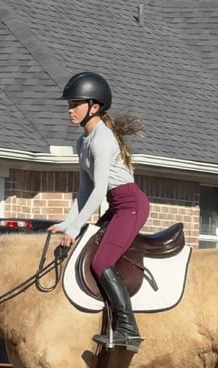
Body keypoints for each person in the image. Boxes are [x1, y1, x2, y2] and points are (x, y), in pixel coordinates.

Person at [49, 71, 149, 353]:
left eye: (75, 104)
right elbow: (84, 189)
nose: (69, 110)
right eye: (69, 105)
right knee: (85, 250)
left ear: (94, 107)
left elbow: (98, 190)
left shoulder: (102, 139)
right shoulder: (83, 142)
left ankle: (129, 329)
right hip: (116, 206)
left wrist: (74, 228)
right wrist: (68, 223)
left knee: (101, 261)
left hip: (131, 206)